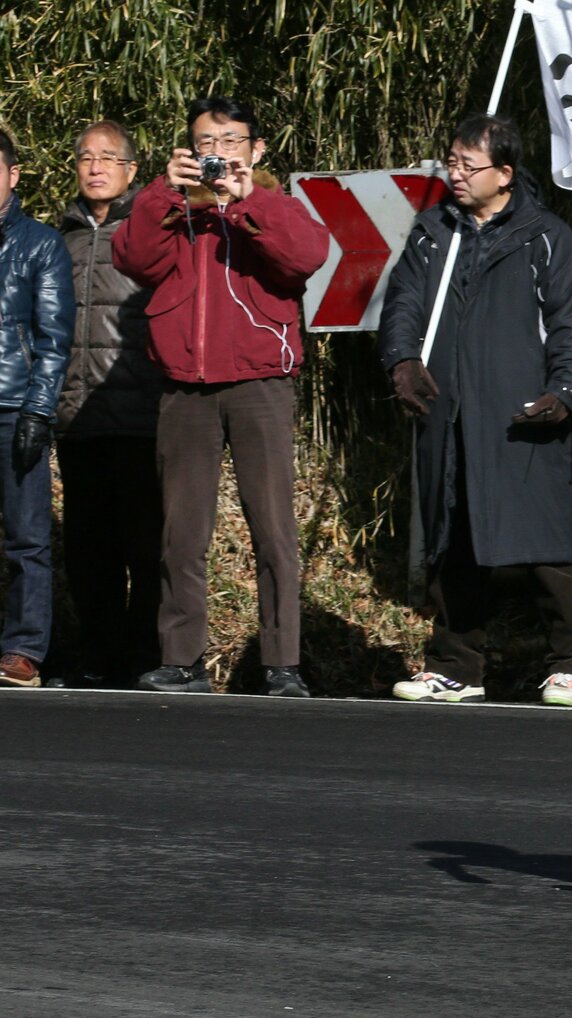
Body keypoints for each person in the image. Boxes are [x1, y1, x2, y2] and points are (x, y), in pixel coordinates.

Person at [114, 96, 330, 697]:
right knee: (181, 532)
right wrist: (164, 192)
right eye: (207, 143)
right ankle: (182, 658)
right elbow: (131, 258)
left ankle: (282, 663)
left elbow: (306, 258)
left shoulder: (276, 206)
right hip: (185, 385)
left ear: (256, 150)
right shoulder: (174, 208)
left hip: (260, 381)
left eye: (231, 141)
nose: (218, 153)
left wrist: (245, 201)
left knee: (273, 528)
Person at [377, 113, 572, 706]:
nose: (456, 174)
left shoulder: (546, 236)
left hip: (523, 412)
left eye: (469, 165)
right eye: (451, 161)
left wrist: (566, 392)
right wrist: (402, 361)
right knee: (455, 536)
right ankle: (455, 664)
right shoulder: (432, 234)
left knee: (545, 541)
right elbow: (402, 307)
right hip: (448, 411)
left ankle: (570, 662)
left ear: (505, 172)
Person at [56, 119, 163, 688]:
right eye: (85, 158)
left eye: (107, 158)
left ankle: (146, 655)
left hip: (143, 416)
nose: (95, 167)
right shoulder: (61, 238)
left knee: (146, 546)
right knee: (88, 549)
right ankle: (97, 656)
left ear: (130, 171)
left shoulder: (155, 230)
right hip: (78, 416)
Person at [0, 129, 74, 687]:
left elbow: (53, 339)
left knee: (27, 537)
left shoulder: (39, 244)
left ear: (13, 175)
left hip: (13, 405)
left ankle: (23, 650)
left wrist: (36, 411)